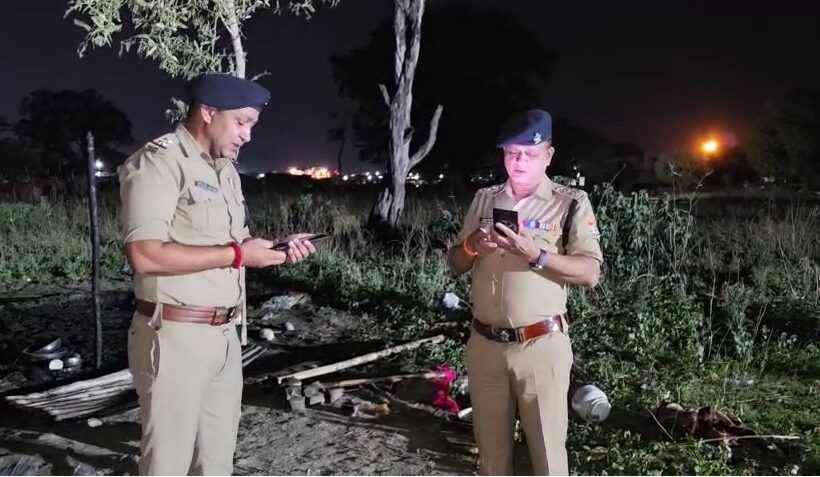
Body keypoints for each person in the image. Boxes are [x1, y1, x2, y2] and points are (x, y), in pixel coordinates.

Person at [118, 72, 316, 475]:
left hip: (225, 336)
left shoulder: (224, 170)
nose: (247, 135)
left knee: (216, 462)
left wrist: (273, 250)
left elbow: (233, 240)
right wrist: (239, 255)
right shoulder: (158, 162)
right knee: (168, 462)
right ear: (208, 112)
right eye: (241, 122)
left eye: (252, 125)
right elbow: (145, 255)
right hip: (175, 337)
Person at [447, 109, 603, 475]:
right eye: (512, 153)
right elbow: (454, 263)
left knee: (547, 456)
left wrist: (537, 255)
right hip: (485, 346)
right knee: (491, 456)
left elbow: (590, 273)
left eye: (529, 154)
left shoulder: (570, 202)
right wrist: (472, 246)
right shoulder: (485, 199)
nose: (519, 162)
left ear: (548, 155)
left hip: (540, 347)